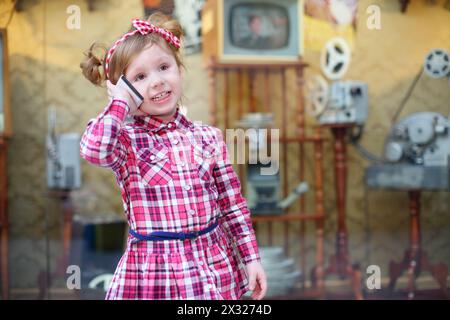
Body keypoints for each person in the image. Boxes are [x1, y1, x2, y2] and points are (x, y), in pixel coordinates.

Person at [79, 12, 267, 300]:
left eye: (164, 67)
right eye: (140, 77)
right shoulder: (126, 141)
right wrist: (118, 104)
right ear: (124, 89)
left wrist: (251, 257)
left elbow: (233, 207)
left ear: (179, 69)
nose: (156, 82)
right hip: (154, 273)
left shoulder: (209, 137)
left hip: (211, 267)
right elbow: (94, 150)